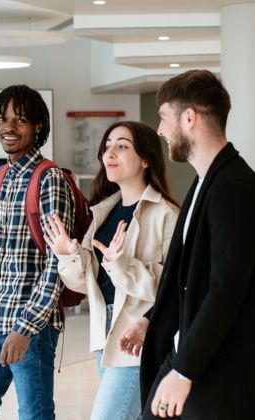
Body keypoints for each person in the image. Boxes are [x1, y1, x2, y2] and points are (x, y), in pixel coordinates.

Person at [119, 69, 255, 420]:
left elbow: (226, 289)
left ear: (189, 118)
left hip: (210, 370)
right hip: (188, 357)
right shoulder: (206, 182)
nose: (160, 130)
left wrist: (184, 371)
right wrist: (153, 319)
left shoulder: (233, 188)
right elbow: (190, 278)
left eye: (164, 118)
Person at [44, 120, 179, 420]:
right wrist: (70, 255)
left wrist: (121, 265)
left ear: (145, 159)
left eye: (122, 146)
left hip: (137, 339)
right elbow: (86, 284)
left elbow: (173, 288)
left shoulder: (166, 215)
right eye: (107, 147)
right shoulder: (104, 212)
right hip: (103, 335)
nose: (110, 154)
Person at [0, 85, 75, 420]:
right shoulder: (1, 177)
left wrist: (25, 328)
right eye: (2, 119)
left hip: (32, 326)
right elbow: (3, 258)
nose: (8, 127)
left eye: (20, 120)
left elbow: (57, 262)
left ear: (37, 126)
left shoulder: (48, 179)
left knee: (34, 415)